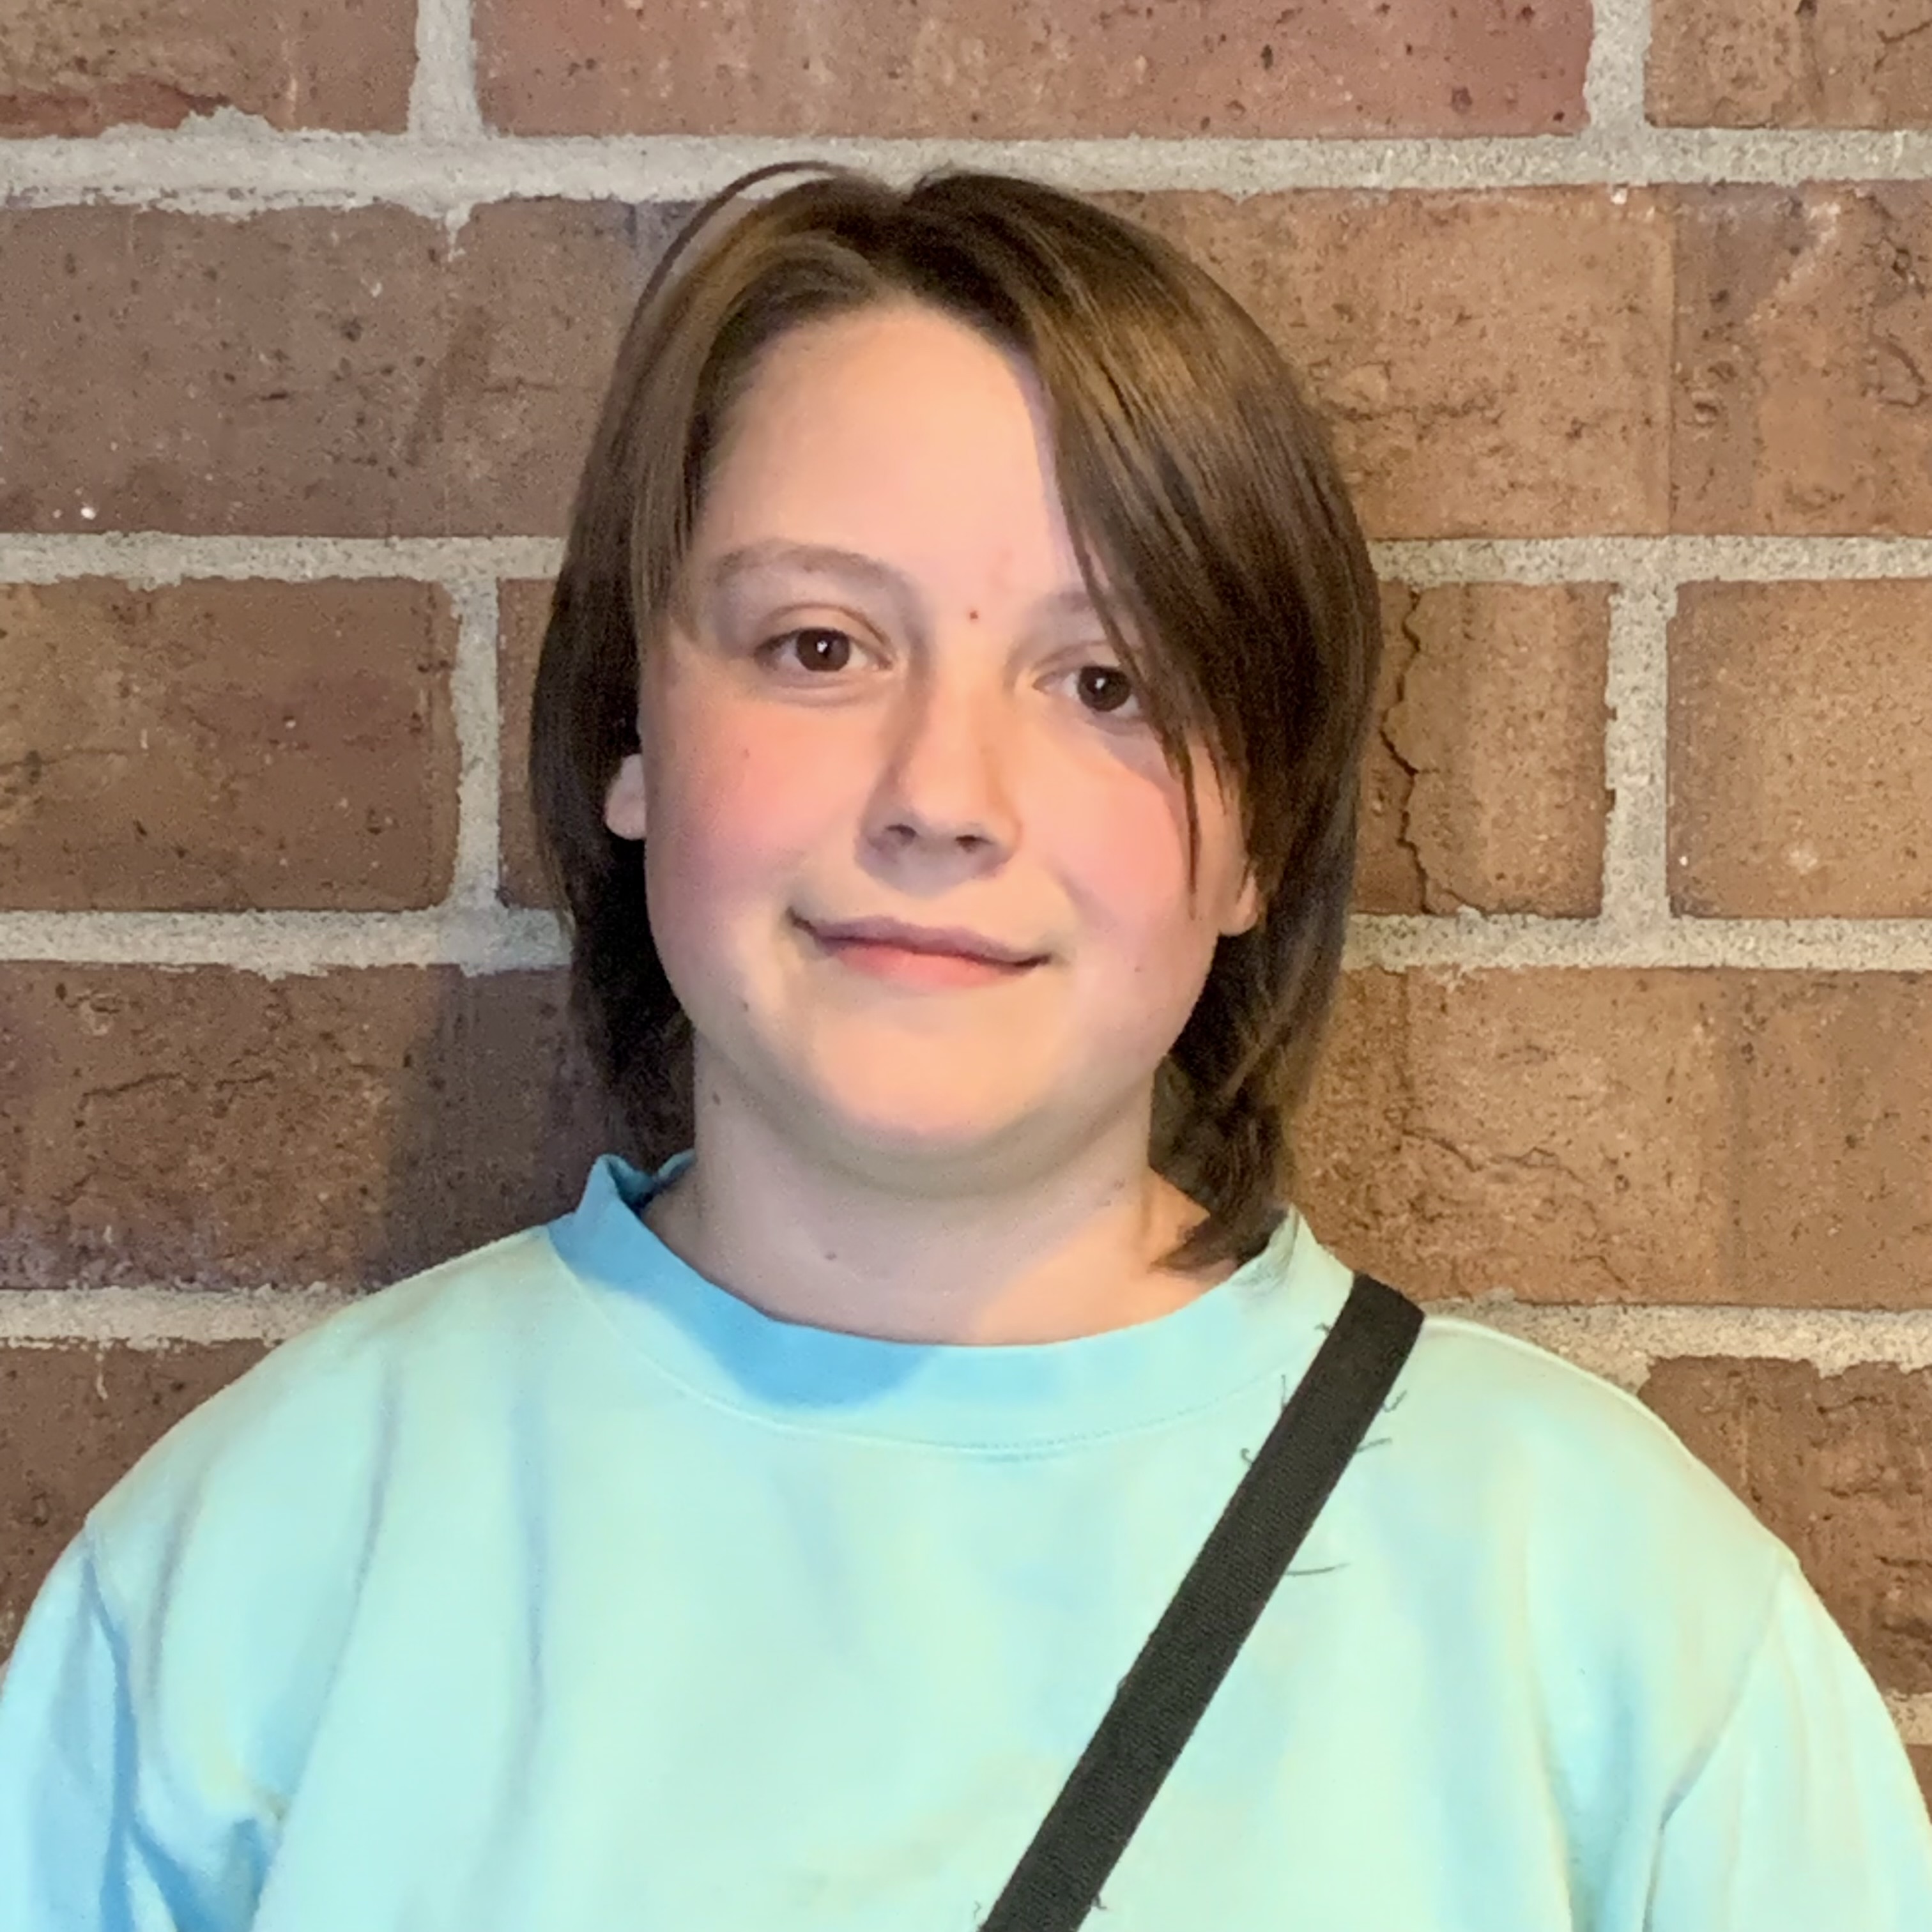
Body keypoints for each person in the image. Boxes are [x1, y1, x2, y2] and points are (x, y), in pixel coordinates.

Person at [1, 162, 1928, 1930]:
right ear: (631, 735)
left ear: (1255, 835)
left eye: (1106, 682)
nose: (942, 795)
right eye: (820, 646)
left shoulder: (1618, 1629)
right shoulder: (249, 1584)